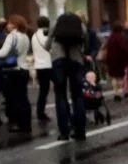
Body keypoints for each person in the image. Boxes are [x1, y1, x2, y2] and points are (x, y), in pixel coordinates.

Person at [46, 12, 89, 140]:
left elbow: (47, 44)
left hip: (59, 61)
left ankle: (64, 132)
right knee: (77, 96)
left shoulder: (55, 24)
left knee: (60, 96)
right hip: (76, 61)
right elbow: (86, 45)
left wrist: (52, 50)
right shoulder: (81, 26)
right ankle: (80, 131)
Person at [0, 14, 32, 133]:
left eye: (10, 23)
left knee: (15, 98)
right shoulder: (25, 36)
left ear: (14, 24)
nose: (8, 25)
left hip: (13, 70)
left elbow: (3, 53)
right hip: (24, 69)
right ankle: (27, 123)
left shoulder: (11, 36)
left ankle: (19, 124)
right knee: (23, 97)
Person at [101, 22, 128, 101]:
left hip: (111, 62)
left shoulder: (110, 38)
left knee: (114, 78)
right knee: (124, 77)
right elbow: (126, 50)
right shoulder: (122, 38)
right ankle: (126, 92)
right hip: (122, 61)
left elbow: (106, 49)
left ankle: (116, 94)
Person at [32, 16, 53, 123]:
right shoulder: (48, 35)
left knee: (42, 91)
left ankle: (40, 112)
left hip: (39, 66)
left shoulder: (34, 36)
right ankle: (41, 113)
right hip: (49, 64)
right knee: (58, 88)